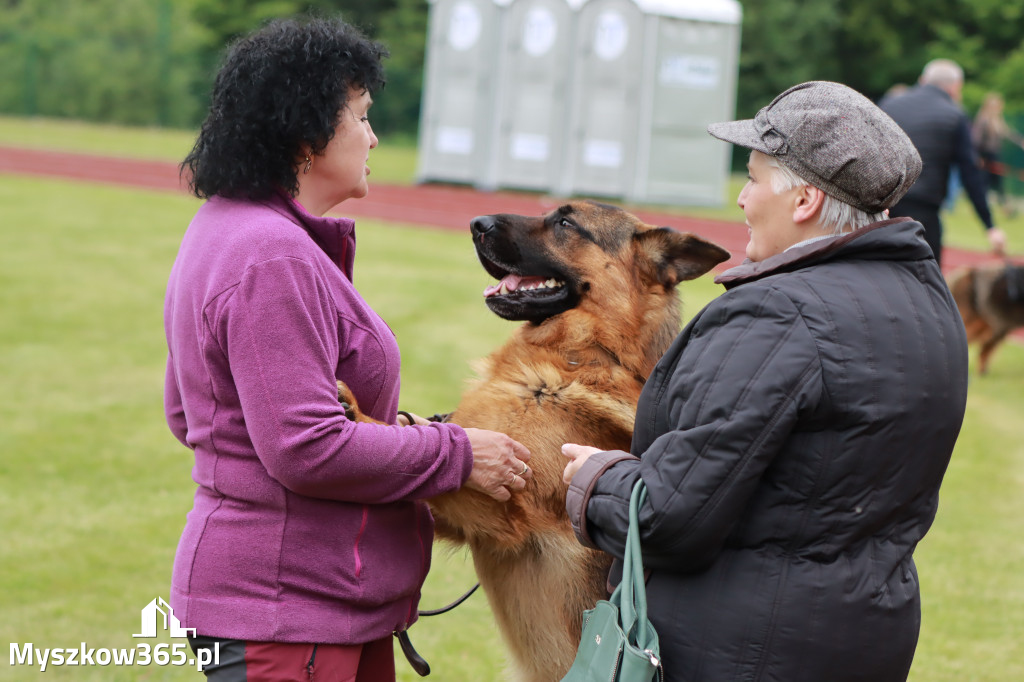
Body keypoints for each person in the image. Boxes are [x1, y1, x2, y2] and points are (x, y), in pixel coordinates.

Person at [164, 17, 531, 682]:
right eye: (361, 116)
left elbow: (196, 415)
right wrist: (456, 453)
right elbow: (305, 446)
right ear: (308, 133)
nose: (373, 136)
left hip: (314, 609)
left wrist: (400, 436)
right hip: (286, 614)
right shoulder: (268, 253)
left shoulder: (231, 227)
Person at [562, 81, 969, 681]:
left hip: (742, 649)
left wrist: (596, 479)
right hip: (864, 637)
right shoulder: (929, 307)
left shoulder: (777, 313)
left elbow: (671, 516)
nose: (742, 198)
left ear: (803, 201)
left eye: (753, 178)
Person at [880, 59, 1006, 268]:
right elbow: (970, 174)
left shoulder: (889, 105)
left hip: (882, 210)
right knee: (926, 284)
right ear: (956, 87)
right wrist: (990, 226)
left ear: (922, 80)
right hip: (923, 216)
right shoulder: (954, 115)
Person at [972, 91, 1024, 218]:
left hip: (994, 155)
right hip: (985, 157)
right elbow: (976, 139)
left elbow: (1008, 133)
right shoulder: (983, 120)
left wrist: (1020, 141)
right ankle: (984, 208)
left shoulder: (997, 120)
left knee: (998, 184)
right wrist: (978, 156)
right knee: (984, 184)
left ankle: (1006, 208)